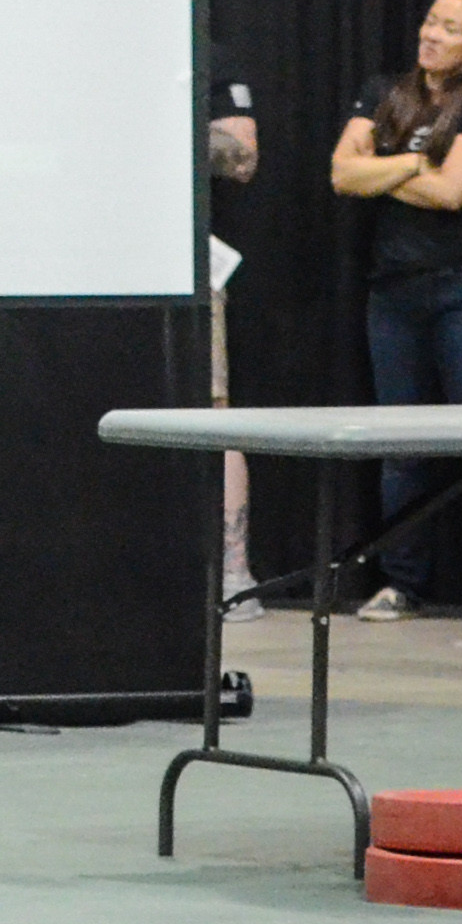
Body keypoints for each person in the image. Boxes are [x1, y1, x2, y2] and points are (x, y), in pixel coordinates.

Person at [330, 0, 462, 621]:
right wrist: (413, 162)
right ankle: (401, 579)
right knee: (401, 442)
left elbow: (456, 191)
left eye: (449, 27)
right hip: (393, 293)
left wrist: (383, 164)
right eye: (429, 20)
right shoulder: (386, 89)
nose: (430, 33)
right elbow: (341, 174)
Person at [205, 45, 261, 610]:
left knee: (213, 410)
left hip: (186, 263)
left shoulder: (204, 55)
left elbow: (242, 156)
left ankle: (234, 576)